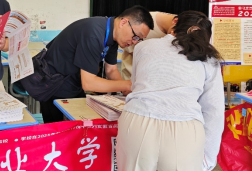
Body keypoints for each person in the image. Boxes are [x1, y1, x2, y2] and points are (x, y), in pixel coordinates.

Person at [113, 11, 224, 171]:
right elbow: (214, 110)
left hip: (138, 122)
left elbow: (137, 84)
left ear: (174, 23)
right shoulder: (209, 59)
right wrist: (208, 156)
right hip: (184, 131)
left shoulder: (144, 48)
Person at [21, 6, 154, 123]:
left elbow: (111, 70)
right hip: (54, 86)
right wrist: (127, 85)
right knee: (61, 134)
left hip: (72, 84)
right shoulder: (94, 34)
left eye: (139, 39)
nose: (135, 42)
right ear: (124, 22)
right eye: (136, 36)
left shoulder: (113, 36)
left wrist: (126, 91)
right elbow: (89, 83)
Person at [120, 11, 177, 80]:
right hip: (133, 78)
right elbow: (126, 44)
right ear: (175, 21)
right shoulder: (143, 23)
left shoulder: (186, 28)